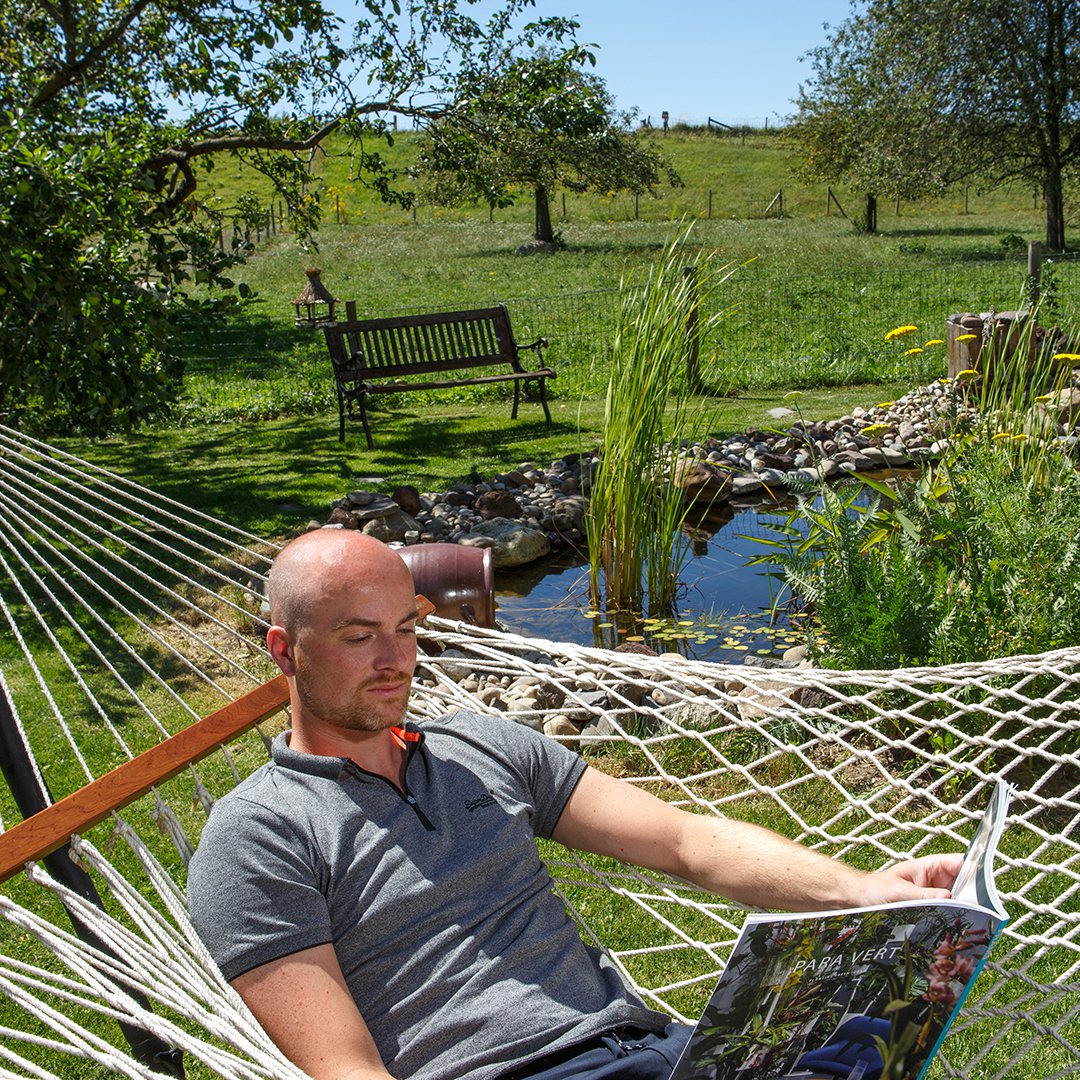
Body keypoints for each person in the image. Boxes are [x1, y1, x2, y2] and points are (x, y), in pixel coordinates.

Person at [187, 530, 962, 1080]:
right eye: (360, 638)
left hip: (660, 1051)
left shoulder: (483, 748)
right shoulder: (258, 836)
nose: (397, 662)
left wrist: (866, 893)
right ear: (284, 649)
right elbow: (345, 1070)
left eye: (405, 629)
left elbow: (686, 842)